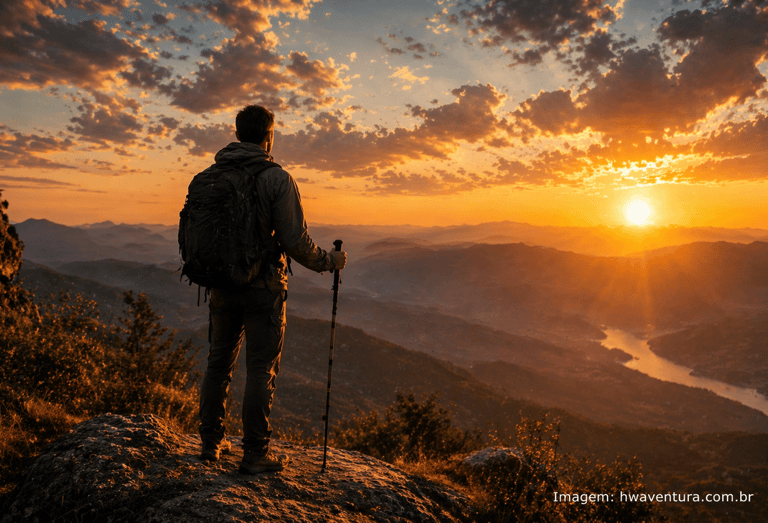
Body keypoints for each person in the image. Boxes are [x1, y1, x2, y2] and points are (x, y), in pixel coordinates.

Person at [197, 105, 347, 474]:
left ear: (237, 133)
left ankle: (211, 443)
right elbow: (295, 241)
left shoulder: (210, 176)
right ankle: (254, 453)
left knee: (218, 364)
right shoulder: (277, 179)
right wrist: (330, 261)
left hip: (220, 284)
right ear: (270, 135)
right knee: (261, 369)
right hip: (262, 287)